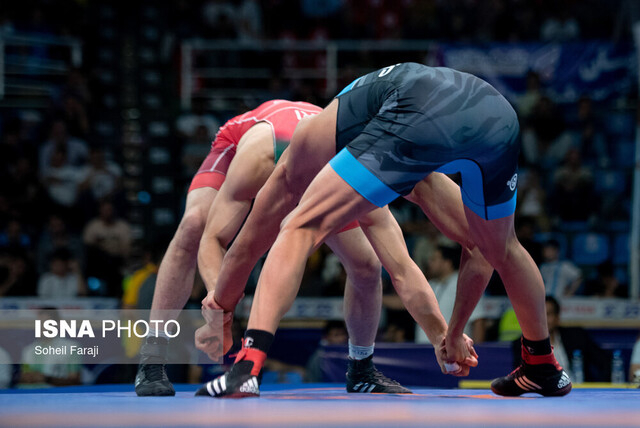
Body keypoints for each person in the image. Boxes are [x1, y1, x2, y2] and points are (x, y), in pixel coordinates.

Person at [199, 63, 570, 398]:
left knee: (298, 226)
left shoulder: (306, 153)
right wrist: (450, 335)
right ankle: (542, 363)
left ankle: (248, 366)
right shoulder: (388, 155)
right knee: (502, 247)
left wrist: (220, 312)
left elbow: (245, 250)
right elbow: (473, 250)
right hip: (496, 113)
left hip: (413, 112)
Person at [136, 100, 412, 396]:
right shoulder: (257, 160)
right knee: (194, 225)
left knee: (366, 264)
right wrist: (220, 315)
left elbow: (399, 266)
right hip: (246, 143)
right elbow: (214, 239)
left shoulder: (347, 167)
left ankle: (361, 368)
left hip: (318, 159)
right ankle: (152, 357)